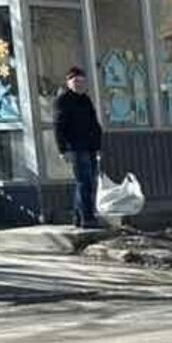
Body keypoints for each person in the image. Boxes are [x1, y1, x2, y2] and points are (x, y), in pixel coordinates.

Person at [54, 66, 103, 229]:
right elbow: (58, 126)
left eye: (82, 81)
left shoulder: (85, 100)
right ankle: (87, 218)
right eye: (75, 81)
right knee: (84, 181)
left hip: (90, 147)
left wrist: (98, 145)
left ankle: (78, 216)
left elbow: (94, 124)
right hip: (75, 147)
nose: (79, 84)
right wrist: (63, 149)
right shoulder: (63, 100)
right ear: (68, 82)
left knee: (88, 181)